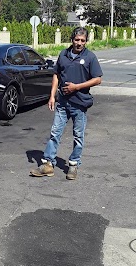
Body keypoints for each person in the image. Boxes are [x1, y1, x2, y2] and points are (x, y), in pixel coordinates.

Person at [30, 27, 103, 180]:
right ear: (72, 39)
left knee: (78, 136)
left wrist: (77, 87)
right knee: (55, 133)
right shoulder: (63, 54)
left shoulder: (90, 57)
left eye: (83, 41)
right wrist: (52, 96)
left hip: (80, 104)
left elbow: (98, 79)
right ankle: (48, 164)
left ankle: (73, 165)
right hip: (62, 103)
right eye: (77, 40)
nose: (79, 43)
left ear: (86, 41)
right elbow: (56, 75)